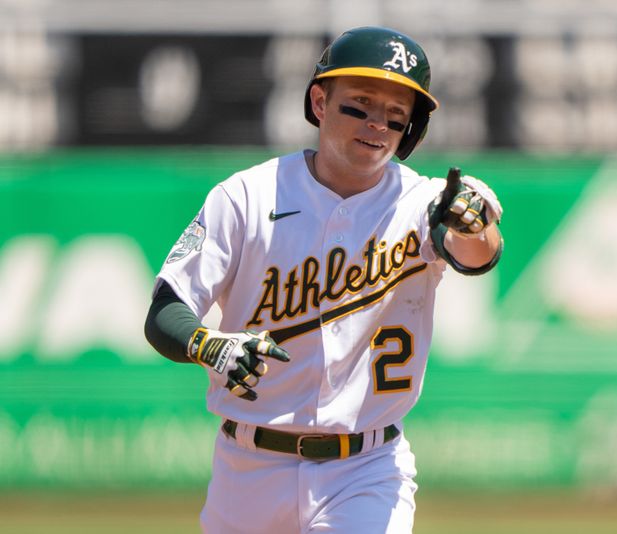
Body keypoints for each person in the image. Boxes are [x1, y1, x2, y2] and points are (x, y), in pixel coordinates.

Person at [144, 26, 503, 534]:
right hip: (247, 469)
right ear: (319, 99)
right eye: (360, 104)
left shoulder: (421, 203)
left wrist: (473, 223)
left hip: (366, 468)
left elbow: (474, 253)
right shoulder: (246, 196)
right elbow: (165, 310)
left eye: (396, 115)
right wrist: (209, 344)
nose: (377, 124)